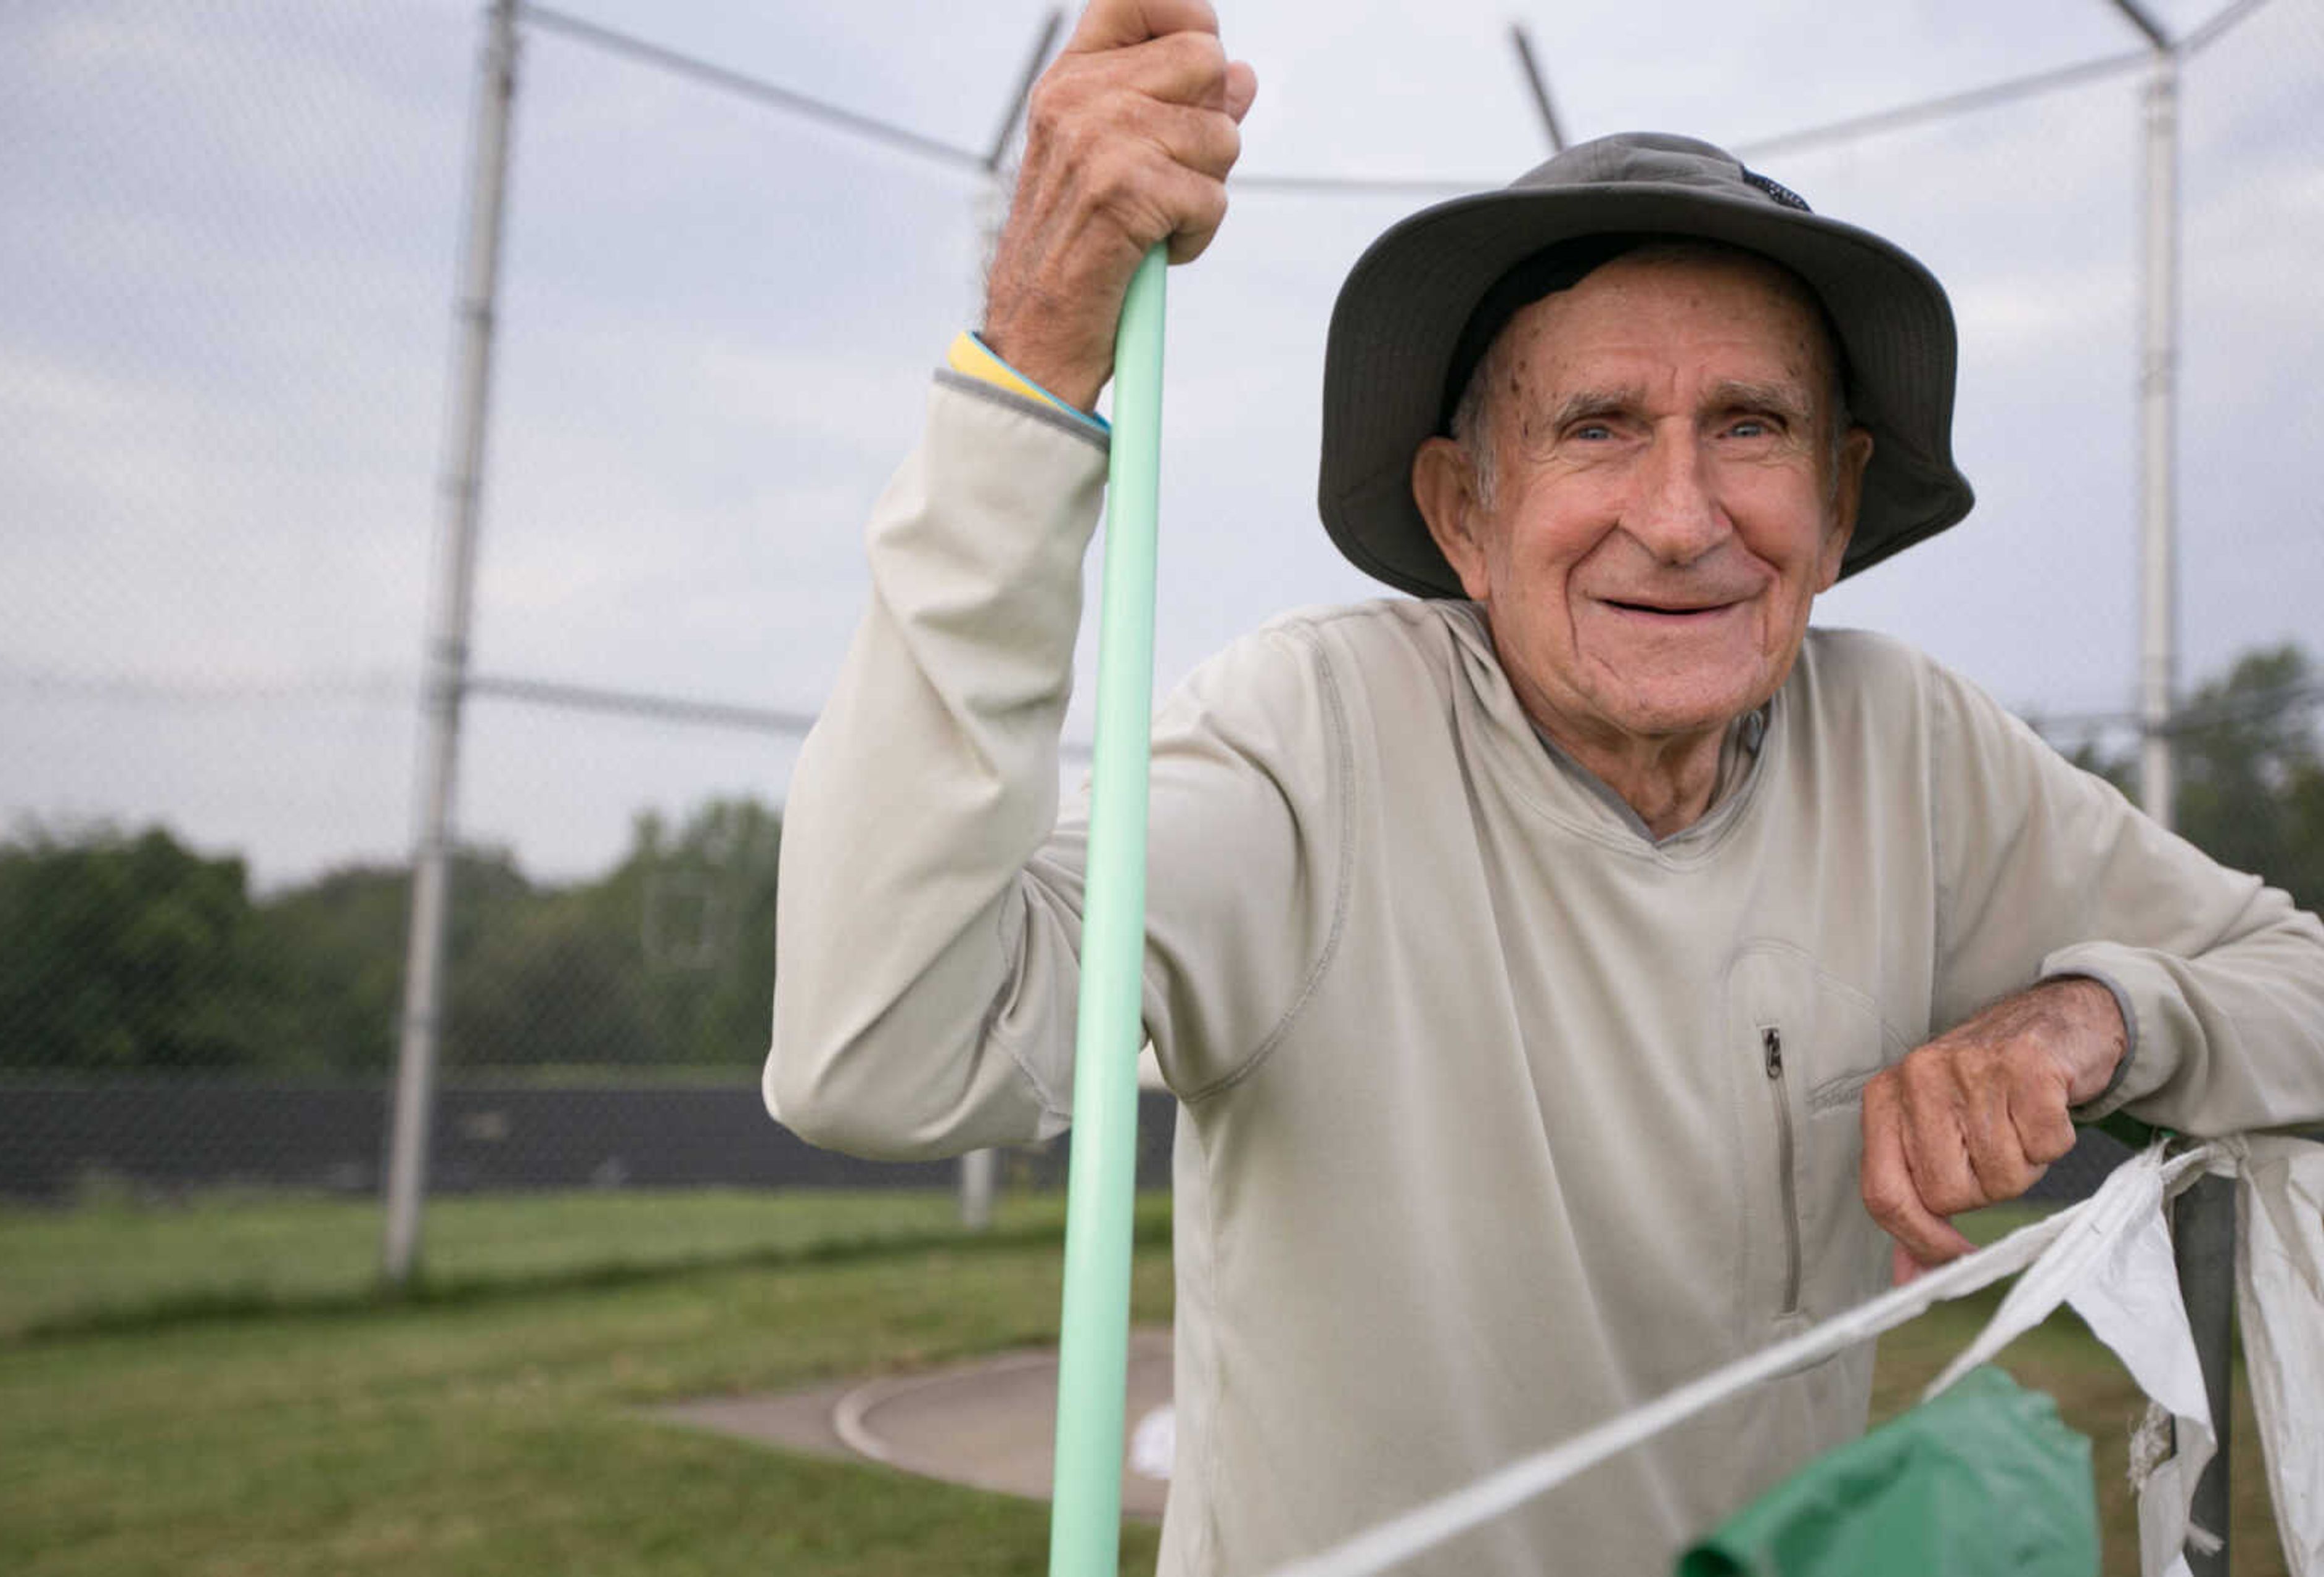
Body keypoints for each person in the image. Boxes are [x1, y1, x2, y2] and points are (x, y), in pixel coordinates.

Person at [763, 2, 2324, 1571]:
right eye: (1597, 429)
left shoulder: (1907, 744)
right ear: (1463, 510)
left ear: (1839, 498)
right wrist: (1036, 358)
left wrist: (2090, 1018)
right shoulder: (1313, 738)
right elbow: (879, 1055)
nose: (1679, 513)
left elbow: (2298, 985)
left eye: (1752, 426)